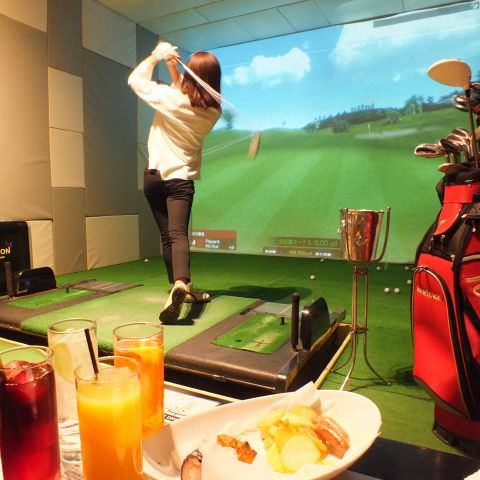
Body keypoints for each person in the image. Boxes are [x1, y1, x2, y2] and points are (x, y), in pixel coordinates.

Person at [128, 42, 222, 323]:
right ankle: (181, 284)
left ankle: (178, 287)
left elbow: (135, 80)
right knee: (179, 232)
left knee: (168, 236)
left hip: (153, 177)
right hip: (180, 179)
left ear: (190, 75)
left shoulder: (171, 99)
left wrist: (156, 56)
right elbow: (187, 91)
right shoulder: (214, 110)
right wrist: (172, 65)